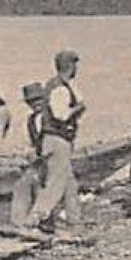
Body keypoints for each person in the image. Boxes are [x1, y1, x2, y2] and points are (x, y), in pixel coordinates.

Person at [19, 50, 86, 235]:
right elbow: (60, 115)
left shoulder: (58, 86)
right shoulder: (59, 88)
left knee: (69, 183)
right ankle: (32, 221)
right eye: (75, 65)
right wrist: (78, 109)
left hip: (55, 140)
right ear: (71, 66)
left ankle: (75, 222)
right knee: (55, 184)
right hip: (57, 139)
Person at [7, 82, 51, 229]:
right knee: (22, 185)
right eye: (31, 102)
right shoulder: (31, 120)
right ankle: (18, 223)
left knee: (40, 184)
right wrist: (26, 154)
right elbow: (31, 143)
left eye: (38, 100)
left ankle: (44, 222)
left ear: (45, 99)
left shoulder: (52, 116)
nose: (35, 104)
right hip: (39, 161)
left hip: (52, 159)